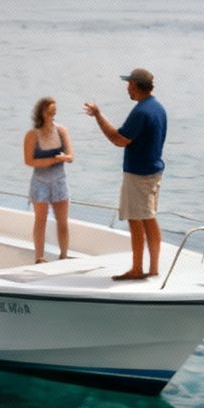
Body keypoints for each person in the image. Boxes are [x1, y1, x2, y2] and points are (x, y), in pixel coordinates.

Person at [83, 68, 166, 280]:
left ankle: (137, 269)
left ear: (137, 85)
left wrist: (98, 116)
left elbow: (119, 139)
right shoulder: (158, 108)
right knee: (149, 218)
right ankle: (154, 267)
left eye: (129, 84)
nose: (127, 87)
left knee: (135, 219)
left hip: (139, 174)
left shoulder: (141, 111)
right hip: (154, 171)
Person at [21, 96, 74, 263]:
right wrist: (52, 160)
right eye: (50, 112)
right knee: (40, 220)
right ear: (42, 113)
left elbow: (71, 156)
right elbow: (29, 161)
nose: (53, 116)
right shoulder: (32, 135)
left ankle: (64, 255)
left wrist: (64, 157)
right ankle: (40, 257)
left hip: (59, 180)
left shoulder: (61, 130)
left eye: (54, 112)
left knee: (62, 221)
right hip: (40, 181)